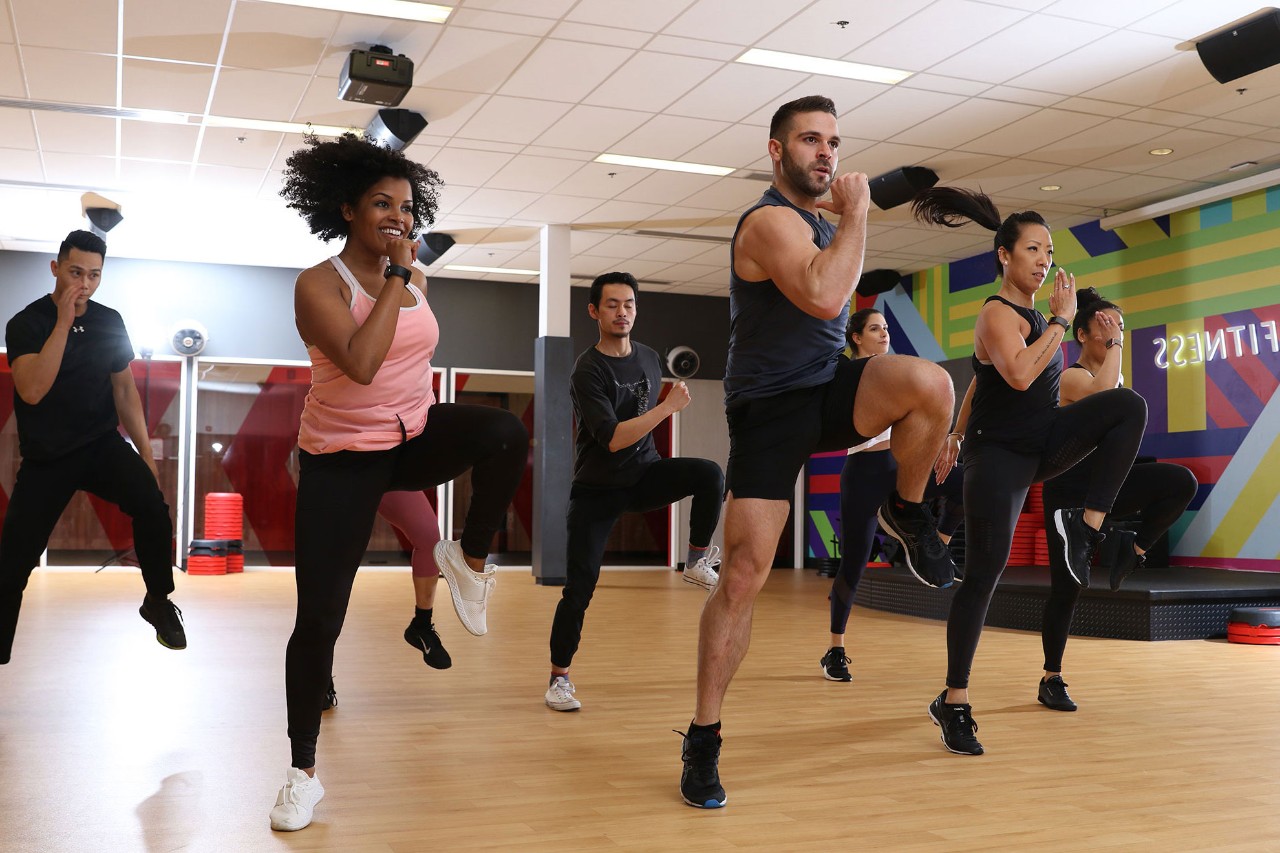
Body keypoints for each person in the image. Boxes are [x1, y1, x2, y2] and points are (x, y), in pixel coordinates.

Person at [679, 95, 958, 809]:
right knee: (743, 576)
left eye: (833, 140)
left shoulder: (816, 221)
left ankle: (907, 509)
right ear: (777, 151)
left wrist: (852, 213)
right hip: (769, 410)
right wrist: (858, 212)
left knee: (929, 383)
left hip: (827, 386)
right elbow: (827, 291)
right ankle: (703, 738)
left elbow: (838, 291)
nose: (826, 152)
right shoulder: (768, 219)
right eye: (810, 140)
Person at [270, 133, 529, 832]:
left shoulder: (413, 278)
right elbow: (360, 361)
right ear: (347, 209)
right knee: (320, 616)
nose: (399, 217)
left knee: (504, 433)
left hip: (408, 439)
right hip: (342, 457)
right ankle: (302, 773)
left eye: (407, 207)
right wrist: (392, 279)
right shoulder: (319, 284)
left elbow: (409, 361)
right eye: (382, 204)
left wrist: (403, 277)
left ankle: (467, 560)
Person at [916, 187, 1147, 755]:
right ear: (1005, 257)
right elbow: (1015, 375)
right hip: (998, 458)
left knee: (1127, 406)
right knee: (984, 577)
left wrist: (1074, 327)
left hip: (1042, 441)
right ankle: (954, 699)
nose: (1044, 261)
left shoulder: (1039, 316)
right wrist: (1062, 324)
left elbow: (1005, 382)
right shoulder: (996, 313)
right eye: (1033, 250)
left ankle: (1086, 531)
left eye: (1049, 251)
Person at [0, 229, 184, 665]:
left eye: (94, 275)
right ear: (56, 268)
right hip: (48, 457)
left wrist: (145, 453)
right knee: (11, 566)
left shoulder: (109, 321)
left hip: (101, 445)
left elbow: (125, 392)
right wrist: (63, 322)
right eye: (75, 272)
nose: (84, 284)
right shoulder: (26, 323)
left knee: (153, 507)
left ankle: (157, 600)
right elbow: (32, 391)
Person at [545, 271, 724, 713]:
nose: (622, 312)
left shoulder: (646, 357)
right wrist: (667, 408)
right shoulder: (587, 370)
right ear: (594, 311)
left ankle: (698, 560)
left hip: (644, 476)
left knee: (709, 474)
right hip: (597, 490)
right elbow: (612, 438)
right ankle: (559, 679)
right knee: (578, 590)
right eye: (612, 305)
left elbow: (638, 432)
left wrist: (662, 408)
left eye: (628, 304)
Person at [1036, 288, 1197, 711]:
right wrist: (1119, 345)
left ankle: (1133, 548)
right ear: (1083, 335)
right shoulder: (1068, 377)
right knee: (1065, 590)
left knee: (1181, 483)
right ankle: (1051, 677)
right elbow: (1106, 394)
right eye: (1106, 326)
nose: (1115, 333)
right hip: (1068, 494)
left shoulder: (1113, 378)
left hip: (1105, 490)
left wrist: (1117, 343)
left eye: (1120, 326)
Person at [822, 308, 964, 682]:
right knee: (853, 563)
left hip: (903, 467)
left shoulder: (900, 374)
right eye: (874, 329)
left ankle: (933, 546)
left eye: (885, 328)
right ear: (856, 337)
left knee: (965, 484)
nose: (884, 334)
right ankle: (835, 648)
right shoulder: (847, 376)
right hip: (865, 473)